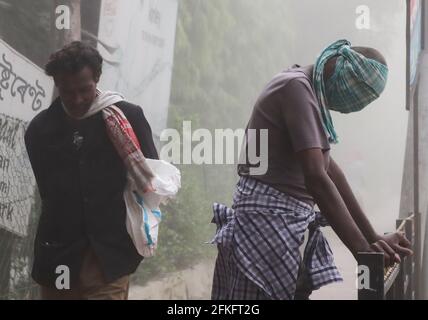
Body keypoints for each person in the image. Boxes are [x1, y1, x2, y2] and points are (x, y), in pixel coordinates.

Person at [210, 39, 413, 300]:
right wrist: (362, 251)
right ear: (335, 67)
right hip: (266, 220)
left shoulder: (306, 91)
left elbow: (330, 171)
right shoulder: (296, 88)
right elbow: (316, 177)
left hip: (283, 222)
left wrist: (372, 236)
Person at [24, 41, 158, 300]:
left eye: (84, 89)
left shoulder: (128, 117)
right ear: (57, 85)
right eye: (67, 91)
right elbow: (49, 196)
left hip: (110, 258)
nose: (77, 99)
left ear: (97, 78)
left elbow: (151, 179)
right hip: (58, 259)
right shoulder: (40, 131)